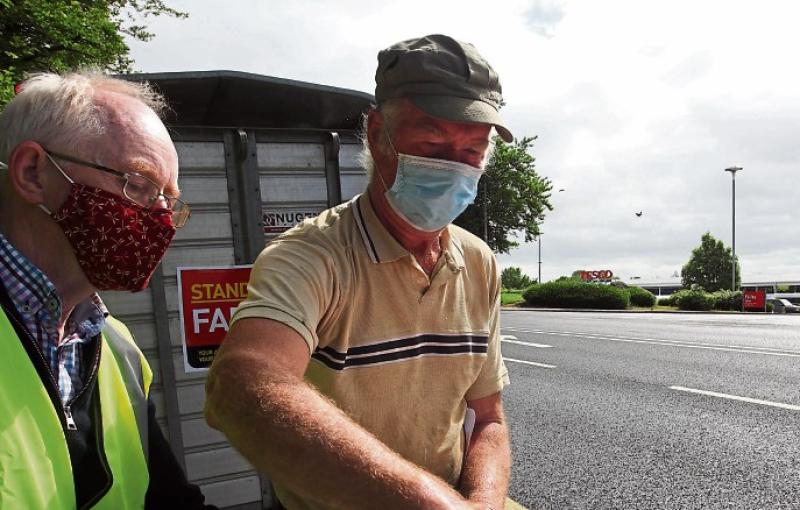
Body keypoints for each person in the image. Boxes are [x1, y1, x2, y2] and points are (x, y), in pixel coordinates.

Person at [206, 34, 515, 510]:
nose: (454, 167)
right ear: (376, 133)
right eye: (432, 142)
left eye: (473, 151)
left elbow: (488, 418)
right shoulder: (312, 255)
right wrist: (427, 501)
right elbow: (241, 385)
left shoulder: (477, 261)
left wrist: (483, 502)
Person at [0, 72, 215, 509]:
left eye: (168, 199)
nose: (160, 218)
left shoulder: (118, 349)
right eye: (138, 184)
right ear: (32, 172)